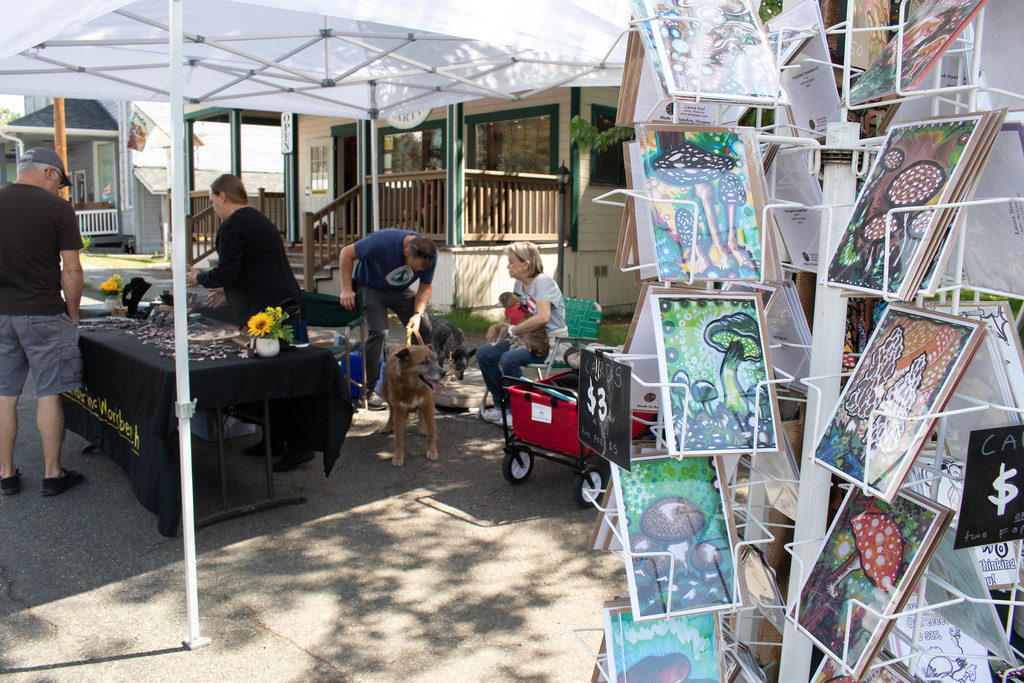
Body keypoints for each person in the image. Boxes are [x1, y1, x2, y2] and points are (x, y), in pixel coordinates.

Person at [185, 174, 312, 471]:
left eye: (212, 199)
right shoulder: (257, 219)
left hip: (270, 313)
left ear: (223, 196)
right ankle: (274, 441)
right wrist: (224, 291)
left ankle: (299, 445)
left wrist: (200, 278)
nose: (213, 206)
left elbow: (229, 271)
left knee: (279, 378)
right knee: (274, 376)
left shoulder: (232, 226)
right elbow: (253, 269)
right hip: (285, 303)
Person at [0, 147, 86, 496]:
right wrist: (74, 314)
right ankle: (53, 473)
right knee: (48, 394)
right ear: (49, 172)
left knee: (5, 396)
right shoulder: (57, 209)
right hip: (43, 312)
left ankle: (6, 472)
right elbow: (73, 271)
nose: (60, 189)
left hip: (2, 314)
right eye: (60, 182)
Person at [338, 229, 436, 409]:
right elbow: (346, 253)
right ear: (406, 252)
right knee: (379, 332)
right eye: (416, 268)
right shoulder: (382, 242)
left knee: (424, 327)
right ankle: (369, 390)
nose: (418, 272)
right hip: (370, 287)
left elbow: (425, 286)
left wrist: (417, 314)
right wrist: (346, 289)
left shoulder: (429, 252)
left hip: (399, 291)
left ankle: (422, 377)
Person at [476, 242, 567, 426]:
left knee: (509, 358)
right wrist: (496, 326)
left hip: (550, 344)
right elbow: (519, 316)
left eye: (511, 261)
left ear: (526, 264)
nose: (508, 265)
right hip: (525, 338)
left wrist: (514, 330)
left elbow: (543, 316)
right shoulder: (519, 283)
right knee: (484, 353)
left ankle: (519, 411)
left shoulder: (543, 282)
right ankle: (502, 407)